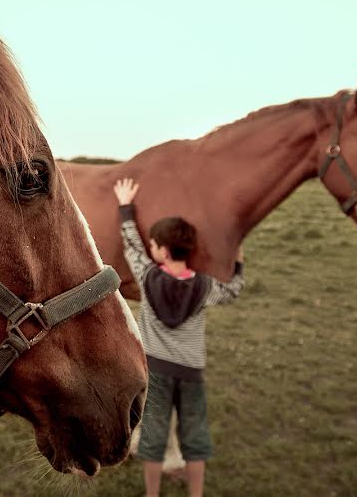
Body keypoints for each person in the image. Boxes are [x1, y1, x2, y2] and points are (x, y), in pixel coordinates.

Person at [113, 178, 244, 497]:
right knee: (193, 433)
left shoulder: (147, 276)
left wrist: (125, 207)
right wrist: (238, 261)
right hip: (190, 372)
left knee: (153, 432)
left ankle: (152, 492)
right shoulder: (204, 286)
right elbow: (232, 290)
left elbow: (132, 246)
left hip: (156, 368)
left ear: (160, 250)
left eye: (155, 244)